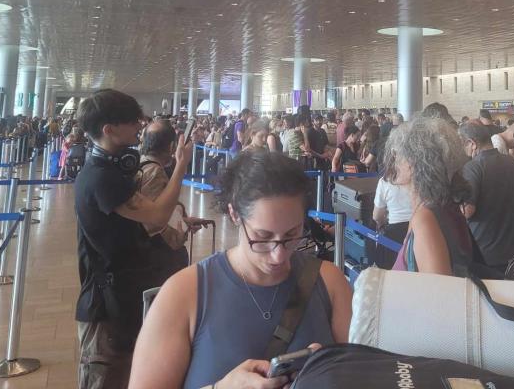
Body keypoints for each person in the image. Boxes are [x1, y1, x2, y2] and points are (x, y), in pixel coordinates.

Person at [130, 151, 352, 389]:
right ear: (235, 214)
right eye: (262, 236)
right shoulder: (183, 293)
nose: (278, 255)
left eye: (291, 235)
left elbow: (364, 377)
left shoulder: (329, 281)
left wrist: (331, 373)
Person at [74, 89, 192, 389]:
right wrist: (180, 165)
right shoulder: (102, 178)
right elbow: (156, 216)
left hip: (121, 295)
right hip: (106, 305)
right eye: (131, 121)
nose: (139, 126)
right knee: (108, 376)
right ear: (108, 130)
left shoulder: (107, 168)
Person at [386, 116, 474, 276]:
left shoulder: (426, 219)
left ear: (416, 163)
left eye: (398, 154)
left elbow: (439, 295)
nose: (395, 160)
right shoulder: (441, 207)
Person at [137, 120, 209, 280]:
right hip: (159, 261)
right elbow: (158, 224)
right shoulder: (154, 173)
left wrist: (183, 220)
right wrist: (181, 229)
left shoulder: (140, 165)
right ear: (171, 147)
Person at [459, 122, 514, 270]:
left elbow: (467, 211)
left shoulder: (473, 167)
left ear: (472, 143)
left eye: (463, 146)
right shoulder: (512, 162)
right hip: (511, 246)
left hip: (483, 248)